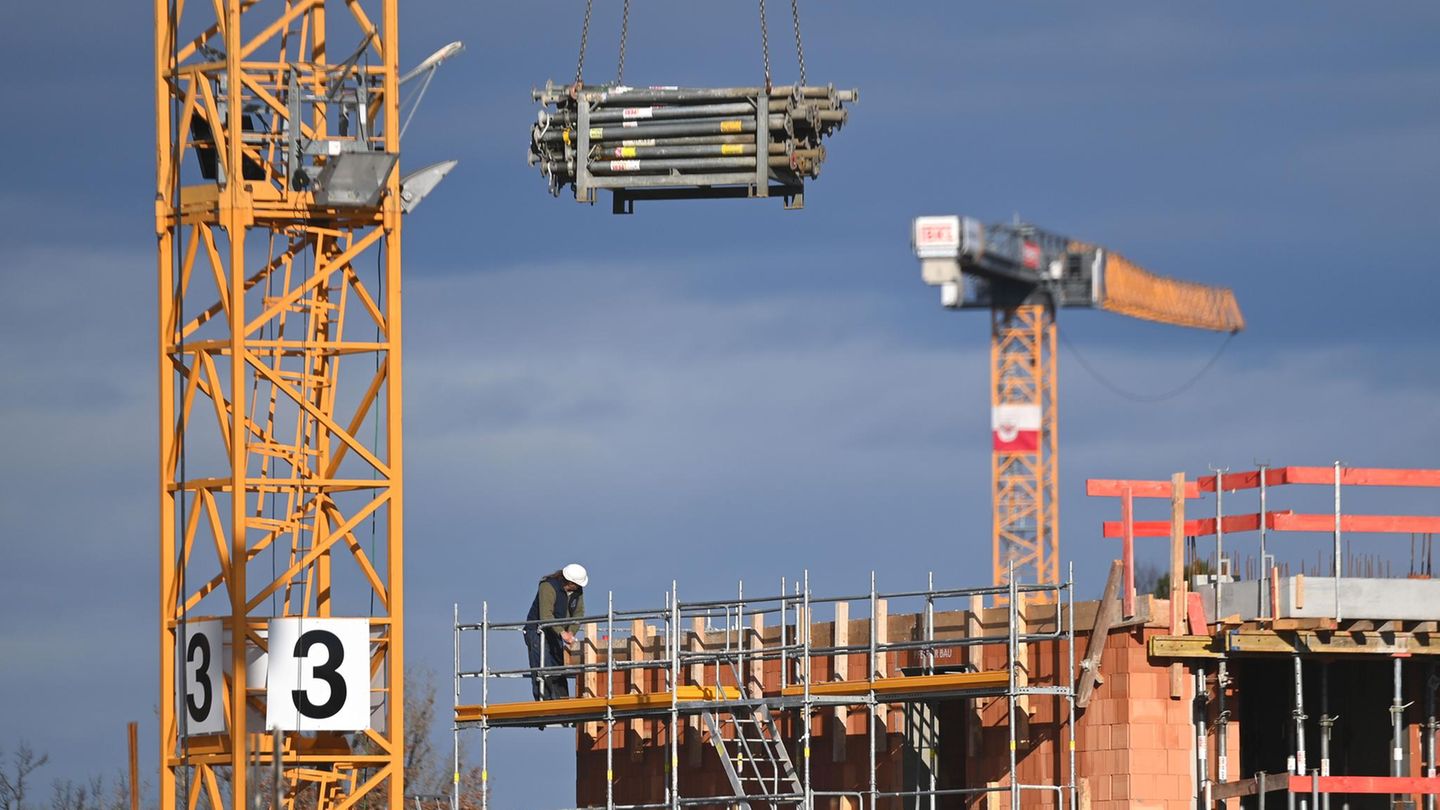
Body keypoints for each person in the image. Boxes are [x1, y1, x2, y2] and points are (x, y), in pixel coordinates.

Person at [524, 563, 587, 701]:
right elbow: (546, 616)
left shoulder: (577, 591)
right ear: (569, 581)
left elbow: (579, 613)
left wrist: (571, 632)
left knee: (559, 668)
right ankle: (544, 704)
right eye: (576, 584)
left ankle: (562, 703)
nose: (578, 587)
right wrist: (562, 633)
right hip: (537, 631)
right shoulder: (548, 586)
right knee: (543, 667)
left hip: (556, 634)